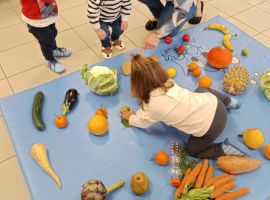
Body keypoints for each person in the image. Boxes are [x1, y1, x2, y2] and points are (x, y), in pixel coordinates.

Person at [120, 54, 251, 159]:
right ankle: (228, 101)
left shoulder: (150, 107)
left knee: (192, 151)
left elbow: (142, 122)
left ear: (137, 85)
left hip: (211, 129)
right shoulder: (169, 82)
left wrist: (131, 117)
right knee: (201, 89)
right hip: (217, 104)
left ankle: (223, 148)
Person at [20, 0, 72, 74]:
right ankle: (49, 60)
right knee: (46, 40)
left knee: (53, 32)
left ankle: (54, 50)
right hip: (36, 19)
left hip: (47, 14)